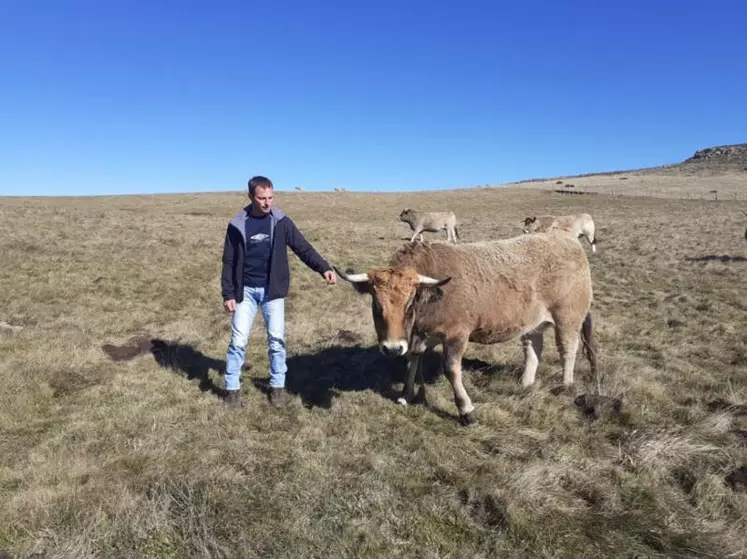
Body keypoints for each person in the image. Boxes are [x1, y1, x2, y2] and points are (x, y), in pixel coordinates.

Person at [220, 175, 336, 409]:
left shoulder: (281, 222)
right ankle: (232, 390)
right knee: (238, 342)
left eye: (270, 197)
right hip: (245, 293)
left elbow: (302, 247)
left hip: (272, 291)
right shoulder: (237, 224)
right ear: (251, 196)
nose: (267, 203)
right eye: (262, 198)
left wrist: (323, 267)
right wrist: (228, 293)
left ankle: (277, 388)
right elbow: (228, 261)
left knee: (276, 341)